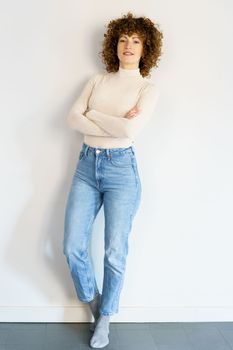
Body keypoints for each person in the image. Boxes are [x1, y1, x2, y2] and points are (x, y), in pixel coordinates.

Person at [63, 11, 163, 348]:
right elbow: (72, 119)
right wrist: (113, 122)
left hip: (122, 170)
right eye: (123, 39)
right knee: (73, 246)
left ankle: (106, 317)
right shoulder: (97, 81)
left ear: (146, 47)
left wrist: (94, 114)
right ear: (114, 44)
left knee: (114, 252)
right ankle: (95, 304)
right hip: (86, 166)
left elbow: (130, 131)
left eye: (136, 40)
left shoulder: (147, 89)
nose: (128, 45)